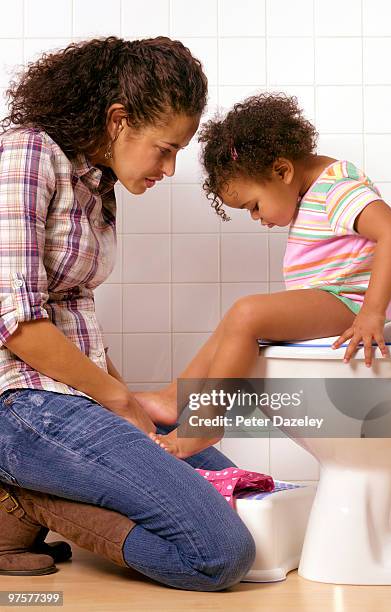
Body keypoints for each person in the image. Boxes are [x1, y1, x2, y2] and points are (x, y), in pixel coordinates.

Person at [0, 36, 256, 590]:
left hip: (73, 397)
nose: (169, 166)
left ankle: (38, 493)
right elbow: (18, 323)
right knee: (220, 552)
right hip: (22, 407)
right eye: (165, 148)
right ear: (118, 120)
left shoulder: (97, 184)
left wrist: (123, 395)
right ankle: (30, 500)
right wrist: (117, 399)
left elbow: (75, 320)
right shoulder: (28, 154)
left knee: (243, 490)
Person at [140, 92, 391, 459]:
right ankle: (174, 398)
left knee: (246, 313)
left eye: (253, 206)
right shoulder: (310, 191)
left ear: (281, 171)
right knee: (236, 322)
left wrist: (372, 312)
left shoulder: (336, 187)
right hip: (335, 300)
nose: (257, 218)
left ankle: (205, 424)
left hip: (351, 304)